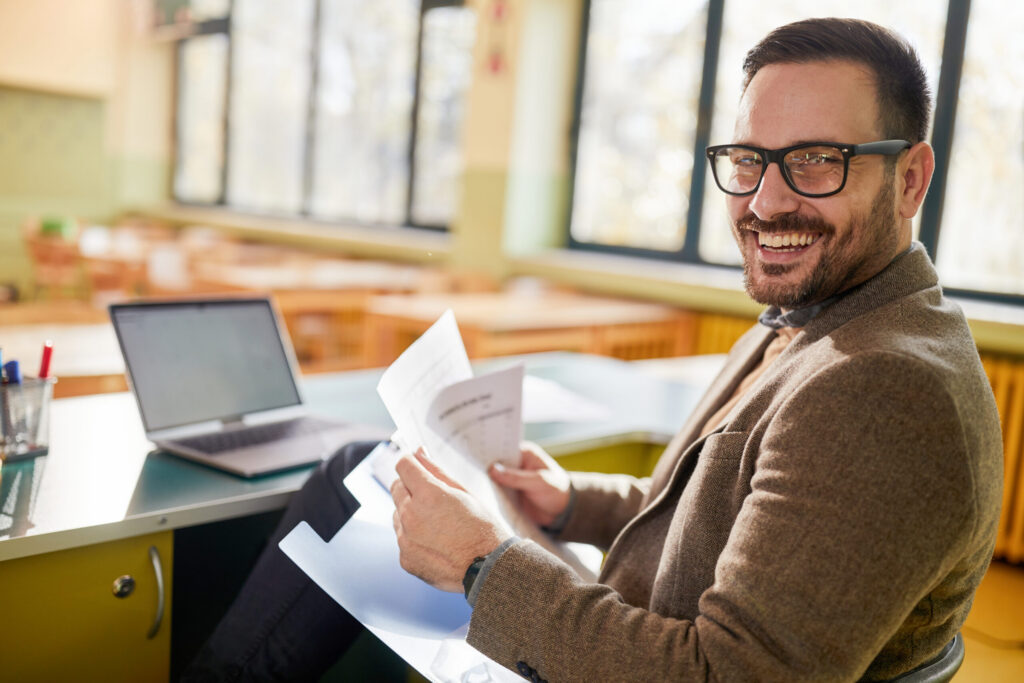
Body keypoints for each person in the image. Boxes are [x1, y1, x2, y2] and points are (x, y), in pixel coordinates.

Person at [184, 17, 1002, 682]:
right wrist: (570, 501)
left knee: (351, 490)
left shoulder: (882, 388)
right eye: (750, 160)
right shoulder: (825, 314)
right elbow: (716, 515)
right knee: (369, 467)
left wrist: (481, 563)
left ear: (911, 179)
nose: (767, 200)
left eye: (818, 162)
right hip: (628, 622)